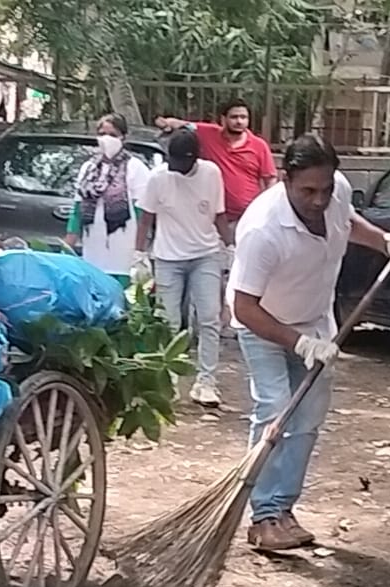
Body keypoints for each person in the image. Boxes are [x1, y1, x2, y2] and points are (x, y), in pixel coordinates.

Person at [229, 134, 390, 550]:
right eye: (308, 191)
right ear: (285, 180)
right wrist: (298, 343)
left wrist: (387, 241)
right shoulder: (262, 230)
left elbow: (347, 221)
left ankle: (283, 507)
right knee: (274, 409)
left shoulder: (337, 196)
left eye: (325, 188)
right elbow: (244, 307)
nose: (318, 200)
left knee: (309, 418)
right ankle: (262, 515)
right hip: (264, 324)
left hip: (315, 320)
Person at [156, 100, 278, 332]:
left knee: (246, 273)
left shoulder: (259, 146)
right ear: (222, 119)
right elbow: (184, 125)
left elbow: (270, 179)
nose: (239, 122)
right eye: (234, 117)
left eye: (243, 117)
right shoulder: (208, 134)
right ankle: (215, 321)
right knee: (216, 275)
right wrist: (165, 123)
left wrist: (269, 210)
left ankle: (240, 320)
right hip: (214, 221)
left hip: (250, 221)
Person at [136, 129, 230, 408]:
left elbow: (220, 214)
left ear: (194, 159)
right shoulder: (158, 178)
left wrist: (232, 247)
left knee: (210, 318)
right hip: (168, 258)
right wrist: (139, 255)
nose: (175, 168)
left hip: (206, 254)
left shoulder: (211, 174)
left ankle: (206, 382)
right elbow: (145, 219)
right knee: (169, 322)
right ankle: (170, 379)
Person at [66, 113, 151, 284]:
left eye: (112, 135)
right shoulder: (88, 169)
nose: (106, 139)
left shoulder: (135, 168)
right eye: (102, 134)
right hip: (93, 252)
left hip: (124, 253)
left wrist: (139, 252)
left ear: (123, 137)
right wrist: (68, 246)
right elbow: (78, 210)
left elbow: (143, 213)